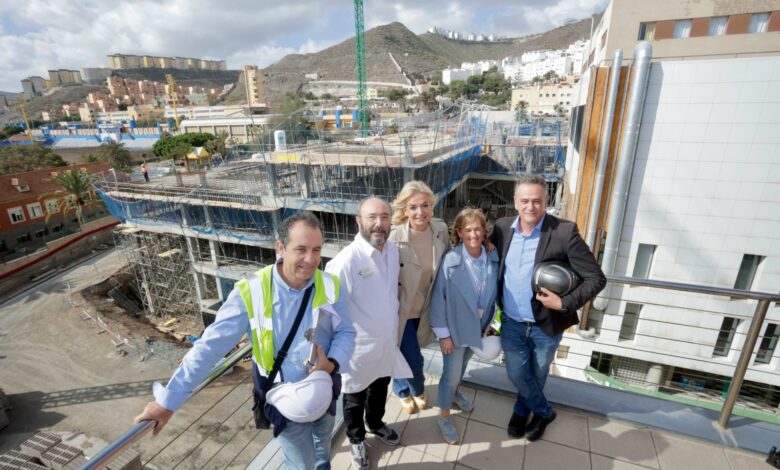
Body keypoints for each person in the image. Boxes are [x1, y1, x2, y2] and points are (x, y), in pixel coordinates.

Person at [134, 211, 356, 469]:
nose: (311, 259)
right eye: (301, 249)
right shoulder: (250, 290)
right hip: (284, 402)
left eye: (317, 250)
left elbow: (346, 332)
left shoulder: (330, 283)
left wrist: (332, 364)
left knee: (322, 452)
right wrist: (168, 402)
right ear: (280, 248)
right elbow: (210, 347)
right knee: (302, 466)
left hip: (325, 391)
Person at [489, 174, 606, 442]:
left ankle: (522, 411)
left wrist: (564, 303)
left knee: (538, 374)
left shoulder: (564, 232)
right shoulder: (502, 227)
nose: (531, 207)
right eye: (525, 201)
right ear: (516, 201)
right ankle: (544, 411)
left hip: (546, 324)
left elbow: (596, 278)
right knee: (516, 372)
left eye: (537, 201)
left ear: (547, 201)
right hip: (511, 321)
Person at [325, 197, 409, 470]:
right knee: (354, 397)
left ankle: (375, 423)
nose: (379, 224)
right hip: (358, 348)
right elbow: (329, 312)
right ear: (358, 221)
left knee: (380, 388)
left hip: (385, 341)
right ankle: (356, 440)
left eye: (384, 217)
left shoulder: (392, 251)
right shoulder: (344, 262)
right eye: (372, 217)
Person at [429, 208, 499, 444]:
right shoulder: (451, 259)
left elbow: (494, 295)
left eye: (478, 228)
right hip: (456, 328)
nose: (473, 233)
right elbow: (439, 299)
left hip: (479, 326)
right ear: (459, 231)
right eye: (467, 229)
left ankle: (456, 394)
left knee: (463, 365)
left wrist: (491, 323)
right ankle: (444, 415)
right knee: (450, 374)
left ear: (484, 230)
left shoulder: (492, 257)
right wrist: (443, 336)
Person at [387, 181, 450, 414]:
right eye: (413, 207)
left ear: (432, 205)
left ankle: (403, 388)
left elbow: (450, 263)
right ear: (404, 209)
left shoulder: (441, 230)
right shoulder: (393, 236)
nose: (420, 212)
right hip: (401, 310)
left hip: (427, 307)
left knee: (407, 353)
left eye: (425, 205)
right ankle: (411, 390)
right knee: (413, 360)